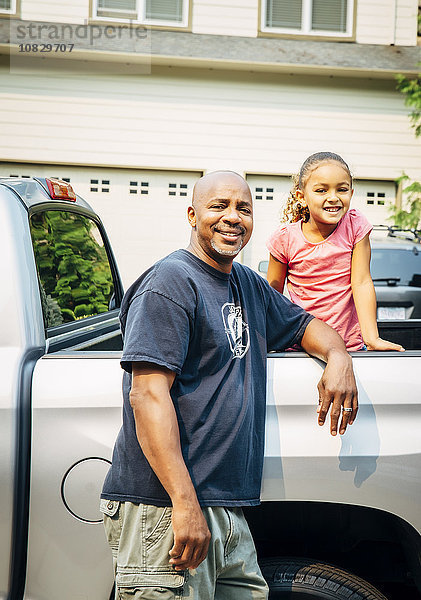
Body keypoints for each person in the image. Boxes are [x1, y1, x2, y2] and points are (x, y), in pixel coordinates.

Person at [100, 170, 358, 600]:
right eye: (218, 206)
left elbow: (304, 325)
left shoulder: (246, 284)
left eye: (243, 209)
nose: (232, 218)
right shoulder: (170, 283)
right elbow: (146, 394)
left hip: (225, 508)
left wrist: (339, 356)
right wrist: (184, 505)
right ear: (191, 213)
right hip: (166, 507)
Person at [266, 152, 404, 352]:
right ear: (302, 197)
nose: (333, 198)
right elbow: (273, 294)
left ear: (351, 193)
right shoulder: (285, 239)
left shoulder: (355, 226)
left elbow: (362, 281)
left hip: (349, 347)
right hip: (301, 348)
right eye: (321, 190)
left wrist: (372, 338)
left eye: (342, 189)